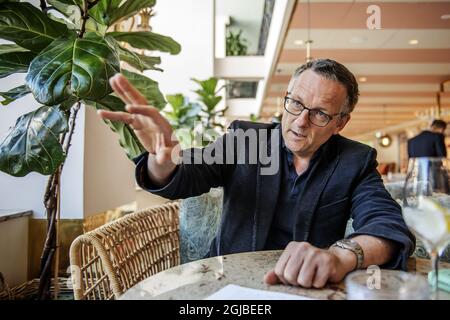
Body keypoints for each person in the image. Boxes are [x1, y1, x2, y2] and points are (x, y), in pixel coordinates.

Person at [98, 59, 415, 289]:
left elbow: (387, 225)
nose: (300, 121)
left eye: (319, 113)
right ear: (286, 98)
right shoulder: (245, 140)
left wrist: (341, 257)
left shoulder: (354, 160)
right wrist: (162, 159)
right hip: (225, 283)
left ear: (339, 123)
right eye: (295, 103)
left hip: (308, 287)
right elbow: (187, 174)